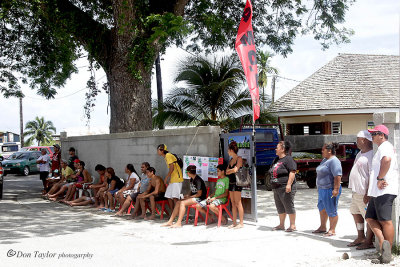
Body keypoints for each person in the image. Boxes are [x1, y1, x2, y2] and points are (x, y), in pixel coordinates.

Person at [365, 125, 398, 263]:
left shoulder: (385, 146)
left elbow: (387, 160)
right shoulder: (382, 147)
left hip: (384, 189)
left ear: (382, 135)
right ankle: (384, 247)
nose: (372, 136)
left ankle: (387, 254)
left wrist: (380, 178)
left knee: (385, 221)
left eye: (374, 133)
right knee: (370, 217)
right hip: (377, 192)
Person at [347, 130, 374, 250]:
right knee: (355, 212)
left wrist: (368, 193)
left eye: (358, 139)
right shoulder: (360, 153)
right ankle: (360, 236)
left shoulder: (372, 154)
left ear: (364, 140)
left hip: (363, 191)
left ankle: (369, 241)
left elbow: (371, 175)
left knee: (368, 217)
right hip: (355, 191)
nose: (356, 141)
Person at [313, 143, 342, 237]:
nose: (321, 151)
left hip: (330, 189)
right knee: (322, 208)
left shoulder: (334, 161)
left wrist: (336, 189)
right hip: (322, 189)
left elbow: (337, 176)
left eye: (323, 150)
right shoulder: (325, 160)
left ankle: (332, 229)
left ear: (329, 150)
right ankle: (322, 227)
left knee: (331, 209)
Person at [270, 140, 297, 232]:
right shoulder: (276, 160)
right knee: (280, 206)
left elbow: (292, 172)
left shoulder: (288, 159)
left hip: (285, 186)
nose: (275, 149)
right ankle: (281, 225)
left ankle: (292, 225)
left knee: (288, 205)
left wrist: (289, 184)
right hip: (276, 187)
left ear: (283, 149)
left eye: (277, 147)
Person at [157, 144, 183, 210]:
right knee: (168, 196)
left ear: (161, 150)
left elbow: (172, 168)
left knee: (175, 197)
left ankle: (177, 214)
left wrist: (166, 177)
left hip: (177, 179)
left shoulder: (168, 155)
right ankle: (172, 213)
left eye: (158, 150)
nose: (157, 152)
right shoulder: (166, 156)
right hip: (173, 179)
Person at [226, 141, 245, 229]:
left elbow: (236, 170)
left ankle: (241, 223)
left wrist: (231, 170)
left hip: (237, 183)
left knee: (238, 202)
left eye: (228, 150)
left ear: (231, 150)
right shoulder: (230, 160)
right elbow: (227, 172)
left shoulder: (239, 158)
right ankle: (234, 222)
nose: (227, 152)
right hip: (231, 182)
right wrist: (231, 170)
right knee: (233, 203)